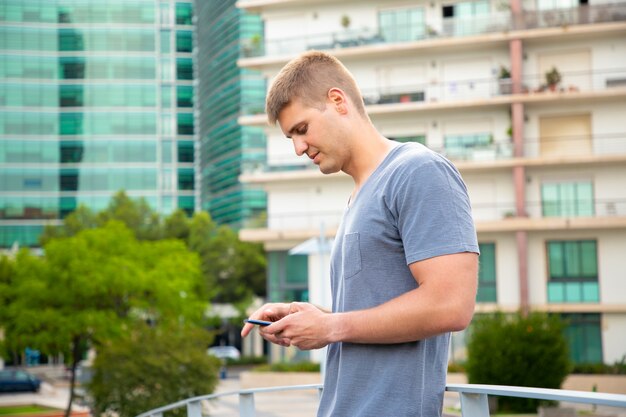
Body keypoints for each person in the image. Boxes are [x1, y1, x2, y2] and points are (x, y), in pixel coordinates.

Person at [241, 51, 479, 417]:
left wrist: (331, 326)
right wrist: (311, 319)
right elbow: (370, 317)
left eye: (301, 130)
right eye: (291, 137)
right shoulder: (358, 196)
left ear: (337, 101)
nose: (299, 148)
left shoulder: (418, 171)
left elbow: (451, 305)